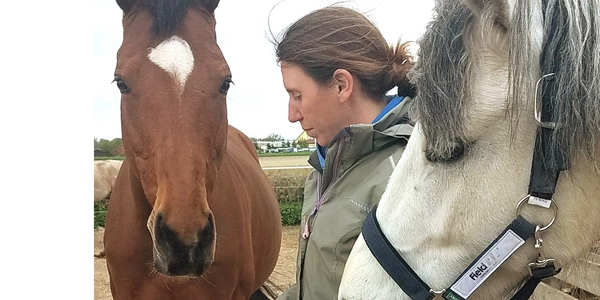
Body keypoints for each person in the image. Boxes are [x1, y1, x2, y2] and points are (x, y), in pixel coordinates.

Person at [271, 5, 415, 300]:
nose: (291, 114)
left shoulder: (405, 173)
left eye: (297, 95)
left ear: (341, 85)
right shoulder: (325, 164)